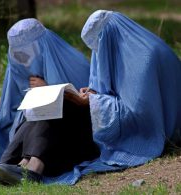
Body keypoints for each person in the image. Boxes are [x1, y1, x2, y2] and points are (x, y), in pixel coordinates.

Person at [0, 18, 100, 184]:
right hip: (48, 145)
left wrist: (49, 89)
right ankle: (13, 165)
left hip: (76, 140)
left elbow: (93, 107)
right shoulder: (20, 73)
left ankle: (33, 169)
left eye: (27, 54)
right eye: (18, 56)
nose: (24, 62)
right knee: (34, 114)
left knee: (55, 107)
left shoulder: (75, 62)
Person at [68, 10, 181, 170]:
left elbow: (139, 114)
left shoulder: (144, 60)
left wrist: (94, 101)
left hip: (153, 131)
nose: (98, 53)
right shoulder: (137, 45)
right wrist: (95, 92)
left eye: (99, 46)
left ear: (107, 36)